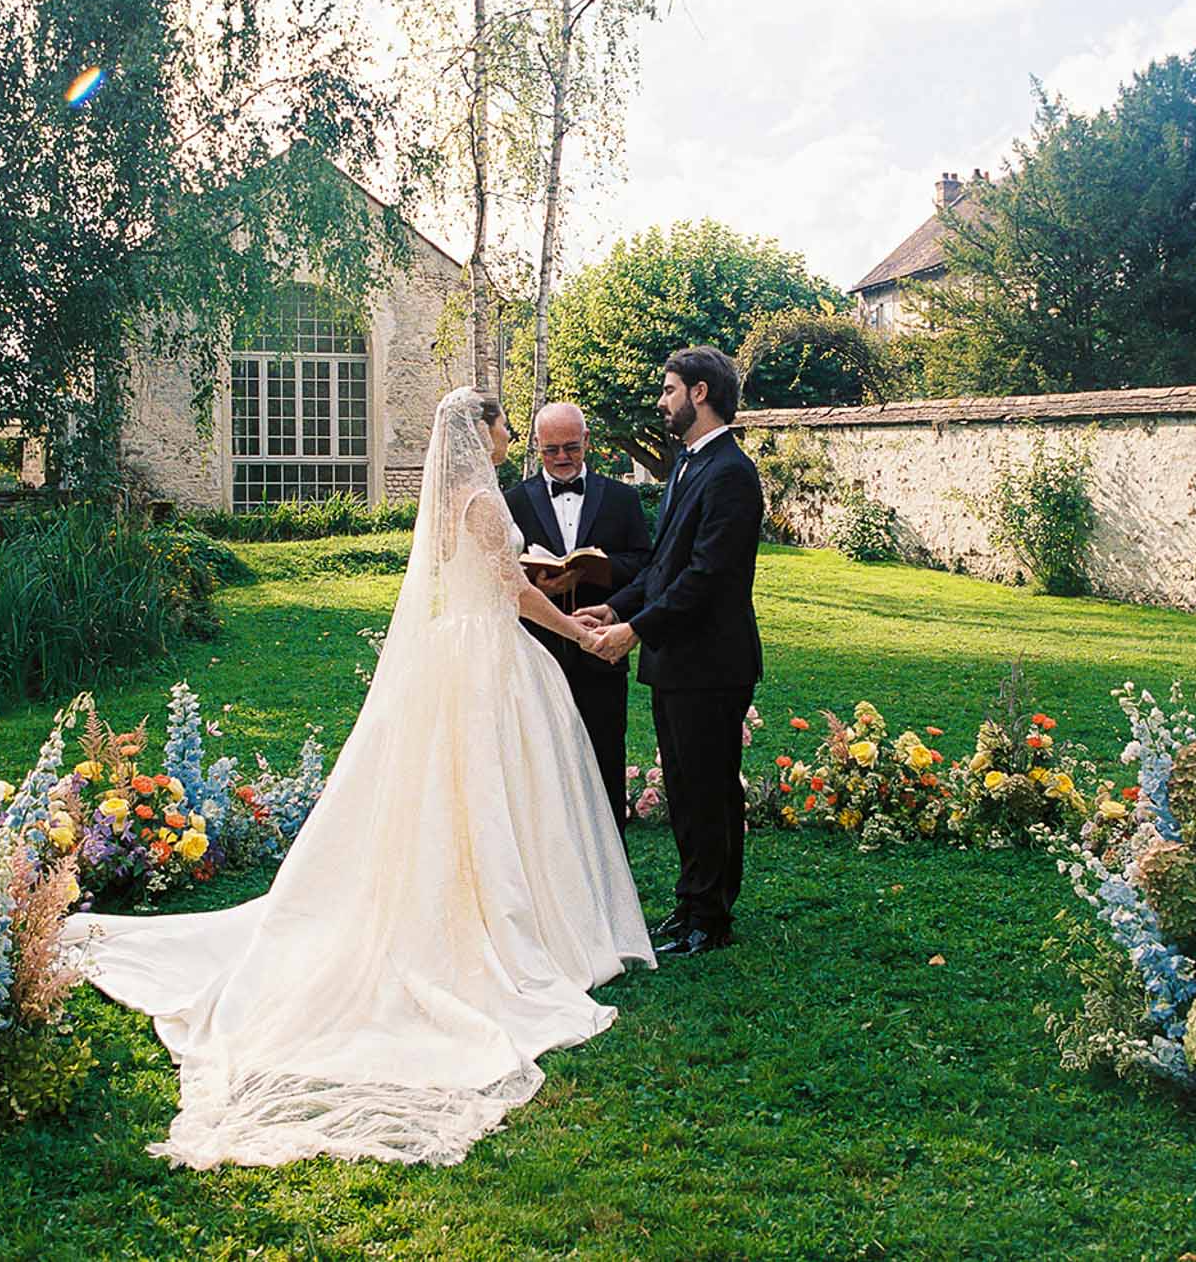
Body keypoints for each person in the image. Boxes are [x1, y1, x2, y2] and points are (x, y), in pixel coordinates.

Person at [63, 388, 653, 1169]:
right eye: (507, 424)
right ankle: (505, 921)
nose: (513, 435)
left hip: (465, 651)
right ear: (484, 433)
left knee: (467, 791)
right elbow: (509, 591)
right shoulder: (482, 499)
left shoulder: (458, 496)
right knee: (490, 789)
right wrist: (574, 626)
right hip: (490, 656)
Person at [578, 347, 764, 958]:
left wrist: (634, 632)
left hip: (711, 663)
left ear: (700, 393)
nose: (661, 401)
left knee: (709, 792)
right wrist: (617, 607)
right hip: (678, 663)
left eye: (668, 389)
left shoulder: (732, 473)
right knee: (685, 790)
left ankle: (710, 919)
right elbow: (664, 564)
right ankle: (690, 906)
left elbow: (707, 576)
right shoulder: (690, 463)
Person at [502, 402, 653, 836]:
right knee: (539, 760)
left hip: (602, 644)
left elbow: (644, 562)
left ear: (587, 441)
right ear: (537, 446)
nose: (563, 458)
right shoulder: (513, 500)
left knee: (604, 754)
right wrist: (539, 584)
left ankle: (610, 862)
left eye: (571, 447)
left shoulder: (622, 497)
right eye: (552, 450)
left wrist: (601, 570)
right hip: (536, 650)